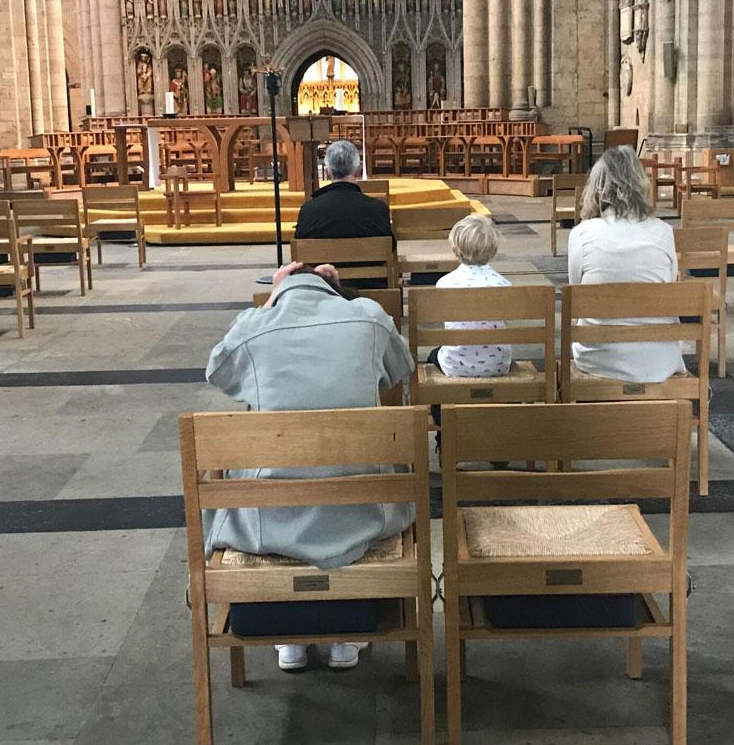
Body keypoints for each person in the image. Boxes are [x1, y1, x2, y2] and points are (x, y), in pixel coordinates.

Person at [204, 261, 415, 673]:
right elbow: (398, 369)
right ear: (331, 284)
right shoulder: (369, 316)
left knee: (253, 469)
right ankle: (347, 637)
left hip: (272, 515)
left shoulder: (254, 325)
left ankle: (289, 639)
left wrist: (270, 302)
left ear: (282, 287)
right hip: (362, 510)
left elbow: (218, 372)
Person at [568, 146, 686, 382]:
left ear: (597, 187)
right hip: (659, 358)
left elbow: (576, 296)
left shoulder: (582, 234)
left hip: (600, 357)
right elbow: (669, 282)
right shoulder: (664, 232)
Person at [427, 214, 512, 379]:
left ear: (455, 249)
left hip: (455, 364)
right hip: (497, 364)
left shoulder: (445, 284)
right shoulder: (504, 285)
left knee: (434, 354)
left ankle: (436, 404)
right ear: (494, 250)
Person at [295, 140, 393, 240]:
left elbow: (300, 248)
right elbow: (389, 249)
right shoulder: (378, 210)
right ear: (359, 170)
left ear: (327, 172)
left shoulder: (309, 211)